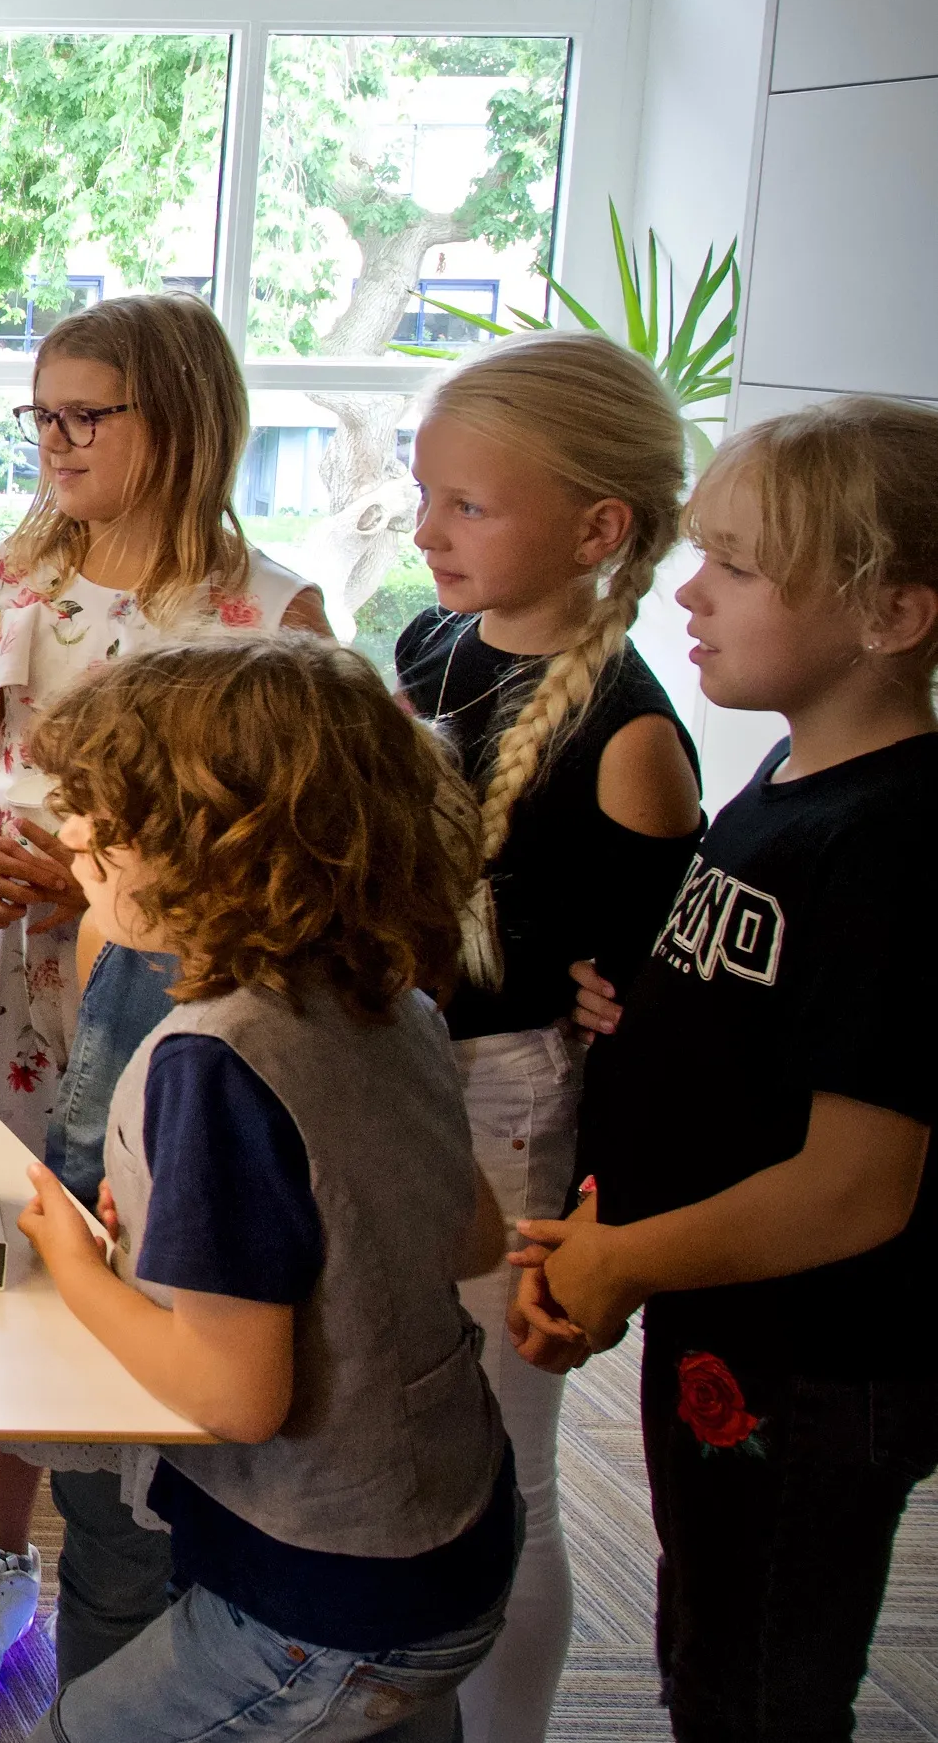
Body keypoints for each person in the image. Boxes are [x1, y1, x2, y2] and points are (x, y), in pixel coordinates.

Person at [0, 291, 326, 1703]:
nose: (56, 439)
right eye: (41, 414)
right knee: (11, 1247)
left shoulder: (269, 609)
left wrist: (103, 884)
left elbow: (291, 830)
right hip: (17, 969)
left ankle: (164, 1555)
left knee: (160, 1255)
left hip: (173, 985)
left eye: (89, 414)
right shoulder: (13, 581)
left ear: (187, 420)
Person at [11, 634, 516, 1740]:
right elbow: (468, 1233)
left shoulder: (212, 1058)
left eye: (105, 815)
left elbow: (235, 1398)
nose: (75, 836)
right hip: (451, 1531)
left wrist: (75, 1264)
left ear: (213, 847)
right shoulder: (389, 998)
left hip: (329, 1592)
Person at [525, 395, 938, 1743]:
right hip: (728, 1323)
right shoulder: (789, 776)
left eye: (740, 566)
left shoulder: (893, 842)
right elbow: (760, 1023)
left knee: (756, 1673)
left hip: (820, 1360)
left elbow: (855, 1186)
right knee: (708, 1625)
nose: (687, 590)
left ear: (891, 615)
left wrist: (626, 1262)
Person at [390, 330, 703, 1743]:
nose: (427, 531)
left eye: (468, 505)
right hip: (397, 1071)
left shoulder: (631, 741)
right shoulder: (429, 641)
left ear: (596, 528)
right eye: (425, 495)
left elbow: (645, 1013)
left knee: (499, 1457)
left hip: (511, 1103)